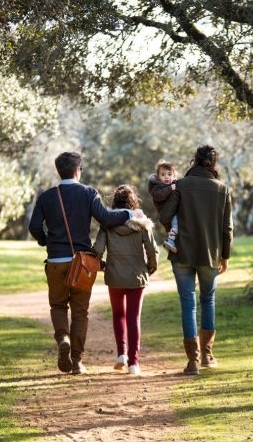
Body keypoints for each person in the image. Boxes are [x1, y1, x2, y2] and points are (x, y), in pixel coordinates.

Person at [28, 152, 136, 375]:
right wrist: (128, 213)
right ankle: (76, 361)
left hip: (56, 261)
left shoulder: (47, 196)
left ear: (60, 171)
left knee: (58, 306)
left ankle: (63, 339)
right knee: (80, 313)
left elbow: (34, 227)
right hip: (82, 265)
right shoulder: (88, 193)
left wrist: (46, 242)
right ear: (77, 171)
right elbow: (106, 218)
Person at [160, 145, 233, 375]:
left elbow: (164, 216)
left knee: (188, 303)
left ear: (195, 160)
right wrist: (225, 256)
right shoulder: (222, 189)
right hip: (210, 255)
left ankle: (192, 360)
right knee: (208, 300)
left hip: (182, 252)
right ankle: (208, 356)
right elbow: (227, 229)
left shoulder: (180, 185)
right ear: (213, 163)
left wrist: (175, 231)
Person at [93, 185, 158, 376]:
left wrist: (104, 266)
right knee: (133, 318)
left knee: (118, 315)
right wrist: (149, 269)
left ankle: (121, 354)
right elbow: (152, 251)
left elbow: (97, 250)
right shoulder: (142, 223)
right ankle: (134, 364)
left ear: (115, 203)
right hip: (137, 275)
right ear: (133, 203)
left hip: (114, 276)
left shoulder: (107, 223)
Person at [148, 160, 179, 253]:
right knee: (176, 224)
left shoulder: (174, 184)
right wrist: (170, 188)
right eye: (163, 174)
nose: (166, 177)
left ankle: (172, 243)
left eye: (169, 174)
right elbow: (159, 196)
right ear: (158, 177)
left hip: (172, 211)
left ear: (174, 176)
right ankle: (170, 242)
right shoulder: (157, 187)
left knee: (175, 227)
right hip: (166, 212)